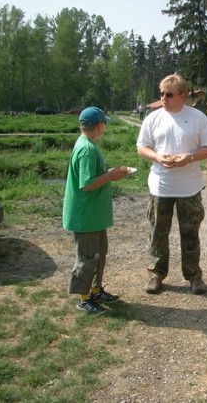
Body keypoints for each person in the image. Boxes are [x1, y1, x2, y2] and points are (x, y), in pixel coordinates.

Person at [137, 74, 207, 295]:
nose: (163, 98)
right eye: (161, 93)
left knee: (190, 233)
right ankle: (156, 275)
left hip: (189, 188)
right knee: (158, 233)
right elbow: (142, 147)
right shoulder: (153, 119)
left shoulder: (198, 118)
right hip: (160, 186)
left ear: (182, 95)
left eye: (169, 94)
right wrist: (157, 158)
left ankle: (193, 277)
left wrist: (189, 158)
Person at [63, 106, 129, 314]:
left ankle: (96, 290)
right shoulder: (87, 149)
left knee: (99, 253)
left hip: (94, 216)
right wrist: (111, 175)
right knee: (87, 257)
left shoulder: (87, 144)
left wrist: (109, 172)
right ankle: (84, 298)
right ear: (99, 126)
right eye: (105, 124)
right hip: (86, 216)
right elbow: (86, 184)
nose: (105, 127)